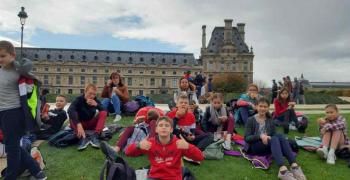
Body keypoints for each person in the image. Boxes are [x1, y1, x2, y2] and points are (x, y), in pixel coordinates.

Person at [0, 40, 47, 179]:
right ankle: (37, 171)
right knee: (12, 144)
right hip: (2, 112)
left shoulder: (19, 71)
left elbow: (32, 82)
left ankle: (11, 176)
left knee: (12, 147)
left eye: (3, 56)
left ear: (13, 55)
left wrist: (22, 67)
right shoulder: (1, 71)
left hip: (14, 112)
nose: (0, 59)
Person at [244, 97, 306, 180]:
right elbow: (247, 138)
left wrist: (268, 137)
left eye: (265, 106)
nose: (262, 108)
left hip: (268, 145)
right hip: (255, 147)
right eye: (260, 106)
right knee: (274, 139)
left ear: (268, 107)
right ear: (256, 107)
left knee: (280, 136)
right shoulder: (250, 120)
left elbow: (273, 134)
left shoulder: (270, 119)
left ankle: (294, 165)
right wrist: (260, 136)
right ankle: (282, 170)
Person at [125, 116, 204, 180]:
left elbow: (200, 157)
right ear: (156, 129)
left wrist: (188, 146)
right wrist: (138, 145)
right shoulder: (150, 143)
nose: (164, 127)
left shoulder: (179, 143)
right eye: (161, 125)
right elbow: (128, 152)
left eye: (167, 125)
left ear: (171, 129)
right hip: (154, 177)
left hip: (173, 178)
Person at [68, 84, 107, 151]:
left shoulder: (95, 100)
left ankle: (96, 136)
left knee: (103, 112)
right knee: (71, 117)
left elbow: (106, 112)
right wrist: (78, 123)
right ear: (85, 92)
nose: (92, 96)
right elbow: (70, 110)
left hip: (90, 123)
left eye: (94, 94)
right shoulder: (79, 99)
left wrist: (97, 105)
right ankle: (82, 138)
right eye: (90, 93)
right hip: (80, 124)